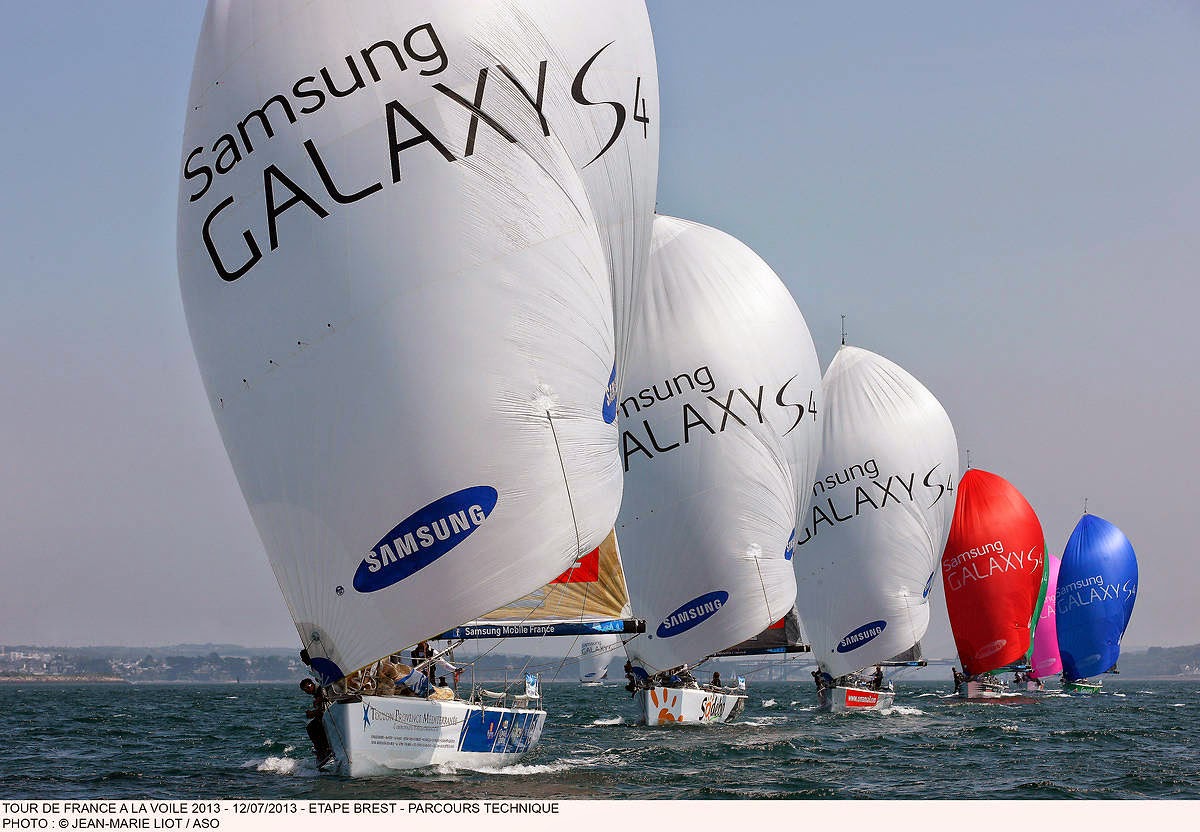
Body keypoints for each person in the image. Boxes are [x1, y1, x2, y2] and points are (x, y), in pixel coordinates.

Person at [299, 678, 334, 769]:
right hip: (328, 715)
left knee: (313, 727)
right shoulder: (317, 692)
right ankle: (321, 750)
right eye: (304, 690)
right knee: (311, 726)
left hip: (332, 715)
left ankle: (324, 750)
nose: (306, 691)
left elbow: (324, 708)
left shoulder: (321, 690)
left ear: (311, 685)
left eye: (307, 688)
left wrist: (312, 713)